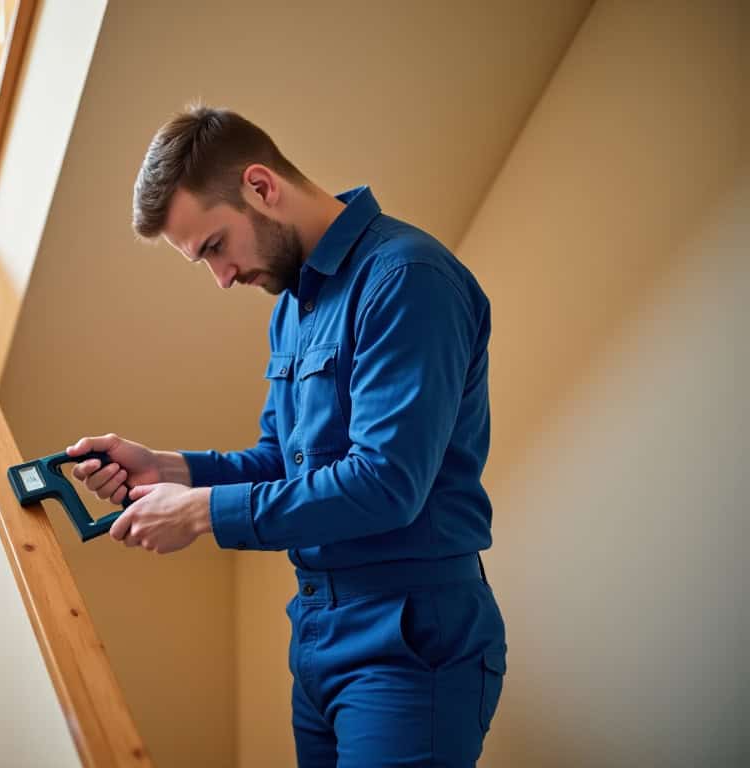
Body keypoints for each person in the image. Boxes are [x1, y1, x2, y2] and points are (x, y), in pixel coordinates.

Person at [66, 106, 507, 767]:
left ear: (260, 187)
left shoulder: (408, 279)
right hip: (318, 635)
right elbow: (280, 461)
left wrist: (200, 512)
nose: (221, 278)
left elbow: (385, 485)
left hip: (409, 643)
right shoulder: (292, 310)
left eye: (215, 246)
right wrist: (167, 468)